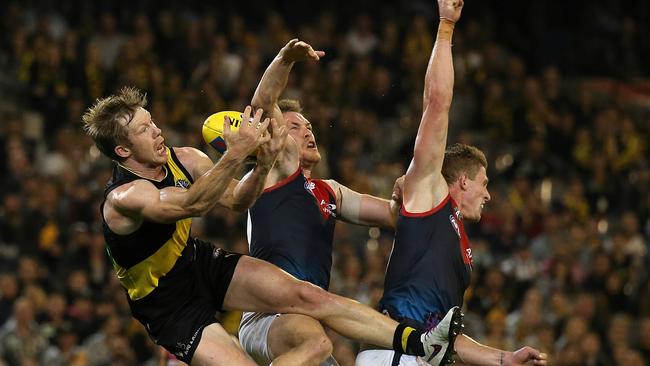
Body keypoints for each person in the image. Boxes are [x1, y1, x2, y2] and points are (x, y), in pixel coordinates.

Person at [83, 86, 460, 365]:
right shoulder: (124, 198)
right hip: (167, 306)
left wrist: (261, 163)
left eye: (153, 123)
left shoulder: (185, 158)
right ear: (123, 151)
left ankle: (419, 343)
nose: (157, 131)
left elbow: (235, 200)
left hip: (196, 263)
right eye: (145, 131)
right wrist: (235, 153)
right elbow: (194, 203)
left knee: (310, 296)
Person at [355, 1, 549, 365]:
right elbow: (437, 103)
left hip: (420, 354)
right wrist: (446, 25)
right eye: (484, 183)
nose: (489, 194)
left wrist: (505, 358)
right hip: (394, 351)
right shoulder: (430, 195)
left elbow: (444, 335)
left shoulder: (459, 242)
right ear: (461, 180)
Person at [239, 40, 425, 366]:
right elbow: (262, 101)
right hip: (268, 314)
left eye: (309, 127)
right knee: (317, 343)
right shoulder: (276, 170)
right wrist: (285, 58)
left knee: (318, 345)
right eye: (294, 127)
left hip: (305, 315)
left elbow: (393, 216)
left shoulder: (329, 191)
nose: (307, 132)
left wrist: (401, 196)